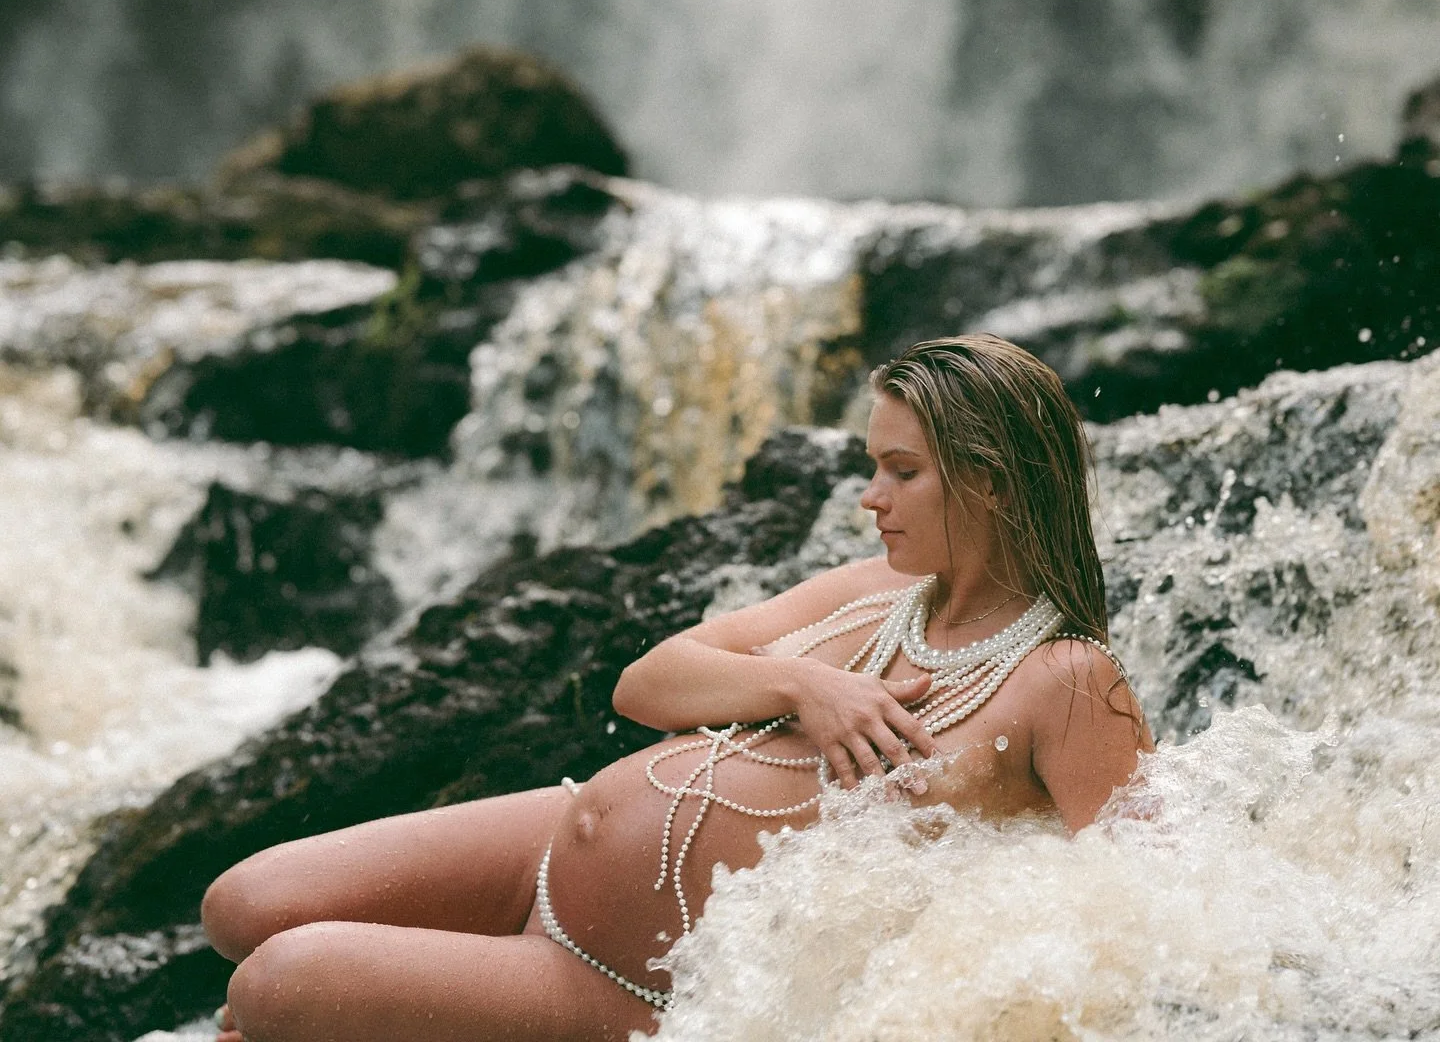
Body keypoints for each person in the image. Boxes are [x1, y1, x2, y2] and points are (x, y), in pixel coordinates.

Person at [203, 334, 1151, 1042]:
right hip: (551, 836)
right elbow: (647, 683)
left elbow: (1151, 910)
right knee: (239, 903)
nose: (870, 497)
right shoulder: (876, 590)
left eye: (902, 471)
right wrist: (803, 686)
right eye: (872, 466)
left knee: (274, 983)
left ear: (988, 482)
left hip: (626, 981)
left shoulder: (1066, 681)